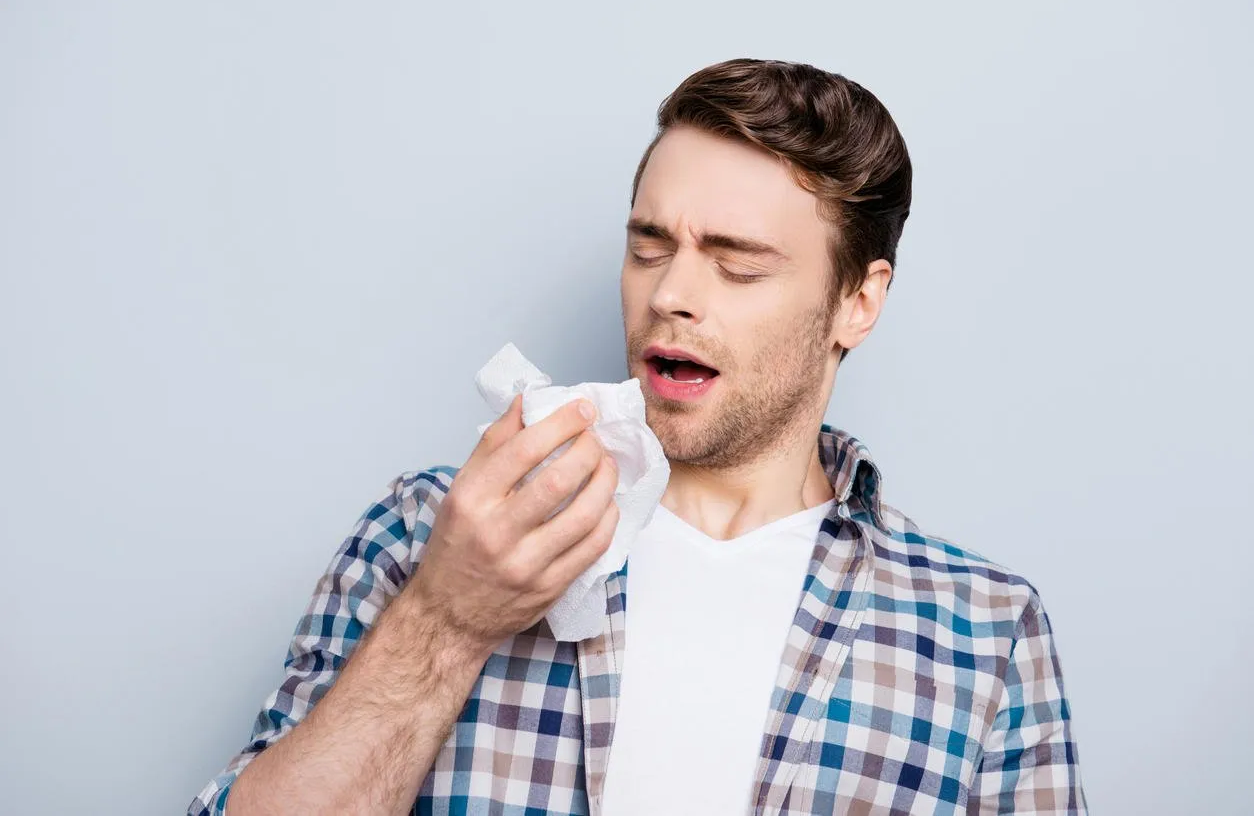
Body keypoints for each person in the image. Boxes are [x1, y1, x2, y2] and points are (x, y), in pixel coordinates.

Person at [189, 58, 1086, 815]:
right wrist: (447, 618)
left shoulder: (981, 633)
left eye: (736, 263)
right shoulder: (436, 529)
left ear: (859, 300)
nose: (670, 295)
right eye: (649, 247)